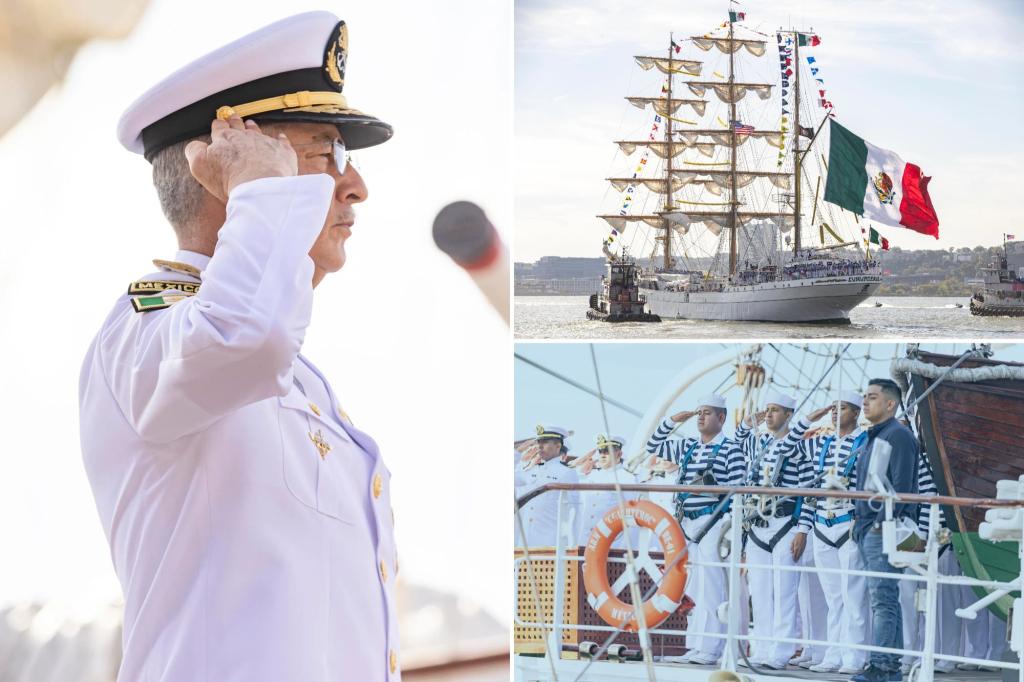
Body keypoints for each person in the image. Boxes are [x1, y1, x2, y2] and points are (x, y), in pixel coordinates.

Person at [78, 13, 401, 681]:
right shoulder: (144, 330)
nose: (357, 186)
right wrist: (262, 193)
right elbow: (242, 336)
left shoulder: (297, 380)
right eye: (324, 153)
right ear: (221, 171)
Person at [645, 395, 746, 665]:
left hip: (713, 524)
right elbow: (652, 446)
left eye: (707, 413)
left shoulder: (730, 449)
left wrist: (734, 533)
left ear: (721, 418)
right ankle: (698, 644)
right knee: (697, 588)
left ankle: (711, 648)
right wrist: (671, 421)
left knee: (713, 586)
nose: (701, 417)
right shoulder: (688, 446)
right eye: (699, 413)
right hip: (687, 524)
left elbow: (739, 492)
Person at [734, 392, 814, 670]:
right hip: (758, 525)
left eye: (775, 411)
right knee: (760, 589)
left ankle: (781, 651)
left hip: (785, 525)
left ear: (789, 415)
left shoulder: (798, 448)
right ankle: (763, 648)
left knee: (784, 591)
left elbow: (808, 491)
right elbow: (737, 443)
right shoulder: (760, 445)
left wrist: (803, 529)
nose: (768, 415)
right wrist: (747, 423)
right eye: (767, 410)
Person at [851, 379, 921, 682]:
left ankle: (882, 667)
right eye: (865, 397)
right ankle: (888, 667)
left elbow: (903, 487)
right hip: (869, 527)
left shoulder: (899, 436)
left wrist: (880, 523)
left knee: (883, 599)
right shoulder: (875, 436)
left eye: (872, 397)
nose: (865, 402)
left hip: (883, 528)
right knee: (883, 598)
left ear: (890, 404)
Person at [797, 391, 871, 674]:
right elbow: (788, 446)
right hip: (822, 524)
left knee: (853, 596)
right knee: (833, 597)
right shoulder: (820, 444)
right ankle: (834, 653)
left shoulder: (866, 443)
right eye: (834, 408)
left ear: (856, 413)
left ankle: (854, 656)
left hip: (848, 523)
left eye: (843, 408)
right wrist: (809, 418)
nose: (836, 413)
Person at [515, 426, 579, 548]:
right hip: (525, 543)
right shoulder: (532, 470)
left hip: (550, 544)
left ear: (558, 446)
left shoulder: (567, 473)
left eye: (545, 442)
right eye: (539, 442)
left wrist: (571, 545)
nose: (539, 446)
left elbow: (574, 512)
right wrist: (517, 454)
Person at [574, 435, 638, 548]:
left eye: (607, 451)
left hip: (613, 543)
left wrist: (623, 546)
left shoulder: (627, 478)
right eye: (601, 451)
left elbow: (632, 513)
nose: (603, 454)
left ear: (619, 454)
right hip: (585, 541)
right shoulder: (591, 476)